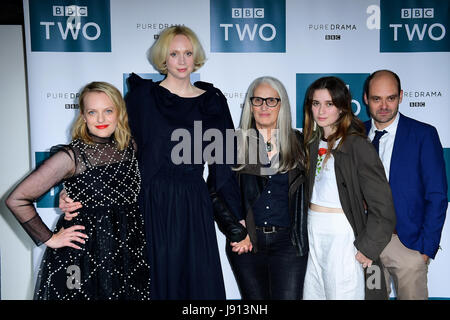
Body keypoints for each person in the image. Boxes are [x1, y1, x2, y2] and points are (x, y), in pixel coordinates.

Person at [122, 26, 241, 299]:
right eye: (174, 54)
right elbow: (118, 150)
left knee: (196, 281)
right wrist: (80, 187)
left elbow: (224, 166)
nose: (182, 60)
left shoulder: (213, 101)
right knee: (155, 280)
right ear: (164, 57)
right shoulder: (142, 98)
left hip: (193, 201)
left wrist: (237, 218)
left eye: (188, 53)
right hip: (151, 200)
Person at [5, 81, 151, 300]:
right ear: (83, 116)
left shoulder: (131, 147)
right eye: (93, 112)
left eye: (108, 111)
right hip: (85, 253)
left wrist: (66, 193)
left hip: (129, 249)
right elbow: (17, 199)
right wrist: (50, 238)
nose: (101, 119)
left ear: (119, 113)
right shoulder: (72, 156)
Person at [210, 76, 309, 299]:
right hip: (246, 242)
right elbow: (214, 192)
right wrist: (237, 230)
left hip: (289, 245)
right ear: (250, 105)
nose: (264, 106)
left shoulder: (300, 143)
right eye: (257, 100)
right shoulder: (231, 143)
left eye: (271, 101)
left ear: (281, 104)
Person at [302, 76, 396, 300]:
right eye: (316, 104)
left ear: (342, 108)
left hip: (342, 236)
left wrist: (368, 247)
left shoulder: (357, 145)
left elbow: (383, 206)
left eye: (329, 104)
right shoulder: (311, 144)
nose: (321, 111)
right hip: (313, 232)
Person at [363, 70, 448, 300]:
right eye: (376, 98)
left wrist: (425, 249)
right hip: (369, 248)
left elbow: (437, 195)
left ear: (401, 96)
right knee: (374, 297)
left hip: (407, 245)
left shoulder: (423, 135)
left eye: (390, 98)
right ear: (365, 98)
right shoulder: (356, 135)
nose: (383, 106)